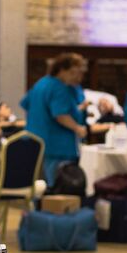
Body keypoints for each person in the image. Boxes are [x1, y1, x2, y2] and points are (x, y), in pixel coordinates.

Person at [20, 53, 88, 186]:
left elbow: (26, 105)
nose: (77, 77)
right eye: (73, 73)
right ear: (62, 70)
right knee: (56, 185)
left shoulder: (41, 83)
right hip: (56, 145)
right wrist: (77, 128)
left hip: (35, 141)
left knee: (38, 185)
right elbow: (60, 115)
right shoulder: (59, 87)